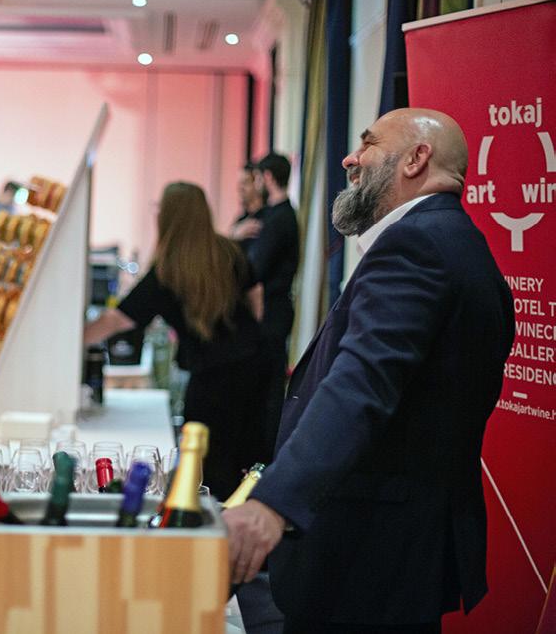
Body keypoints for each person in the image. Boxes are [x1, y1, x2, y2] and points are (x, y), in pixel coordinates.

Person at [223, 108, 515, 633]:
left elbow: (360, 385)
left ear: (416, 158)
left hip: (367, 554)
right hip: (402, 548)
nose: (349, 158)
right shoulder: (460, 242)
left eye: (369, 144)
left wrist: (273, 505)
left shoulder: (417, 245)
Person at [84, 181, 270, 499]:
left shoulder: (167, 271)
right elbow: (256, 296)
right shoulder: (228, 251)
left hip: (210, 379)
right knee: (248, 463)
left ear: (168, 217)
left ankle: (210, 523)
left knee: (205, 467)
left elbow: (118, 319)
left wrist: (74, 341)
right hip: (254, 366)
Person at [242, 152, 299, 462]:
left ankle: (264, 460)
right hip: (272, 310)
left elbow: (255, 267)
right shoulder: (275, 215)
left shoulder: (280, 218)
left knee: (269, 390)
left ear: (266, 178)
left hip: (272, 313)